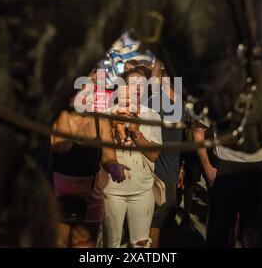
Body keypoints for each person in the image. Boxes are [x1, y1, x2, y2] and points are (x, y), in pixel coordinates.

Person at [51, 85, 129, 248]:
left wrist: (114, 167)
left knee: (85, 245)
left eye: (87, 93)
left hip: (91, 197)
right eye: (77, 93)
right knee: (58, 242)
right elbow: (62, 146)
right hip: (58, 196)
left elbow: (108, 156)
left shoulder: (100, 122)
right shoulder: (56, 118)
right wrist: (63, 111)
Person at [102, 65, 162, 248]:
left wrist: (136, 133)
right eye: (132, 83)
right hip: (112, 190)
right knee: (111, 243)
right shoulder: (107, 115)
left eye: (142, 84)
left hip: (142, 190)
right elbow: (102, 152)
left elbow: (153, 156)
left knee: (140, 244)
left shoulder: (152, 115)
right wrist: (114, 126)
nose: (137, 87)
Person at [148, 60, 184, 248]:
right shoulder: (155, 101)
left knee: (167, 221)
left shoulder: (181, 104)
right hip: (158, 171)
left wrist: (181, 168)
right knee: (158, 221)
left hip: (173, 168)